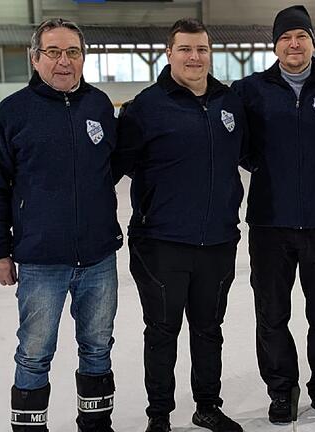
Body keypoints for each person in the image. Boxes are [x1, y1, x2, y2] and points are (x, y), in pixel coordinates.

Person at [0, 18, 121, 432]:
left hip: (97, 258)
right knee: (35, 352)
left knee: (97, 348)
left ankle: (95, 426)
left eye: (72, 52)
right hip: (41, 260)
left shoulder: (98, 105)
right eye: (53, 52)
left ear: (83, 58)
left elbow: (109, 168)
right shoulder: (13, 112)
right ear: (35, 58)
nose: (63, 61)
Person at [230, 4, 315, 425]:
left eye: (302, 36)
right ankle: (280, 390)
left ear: (313, 41)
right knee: (271, 312)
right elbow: (226, 134)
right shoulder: (249, 90)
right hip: (270, 222)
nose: (294, 44)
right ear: (275, 45)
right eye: (286, 37)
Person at [115, 18, 247, 432]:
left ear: (211, 53)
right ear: (169, 53)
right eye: (186, 49)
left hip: (218, 241)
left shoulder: (229, 103)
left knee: (209, 330)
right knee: (162, 332)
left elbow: (249, 157)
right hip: (161, 244)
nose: (195, 57)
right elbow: (115, 169)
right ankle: (159, 415)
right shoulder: (144, 108)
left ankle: (207, 405)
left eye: (202, 49)